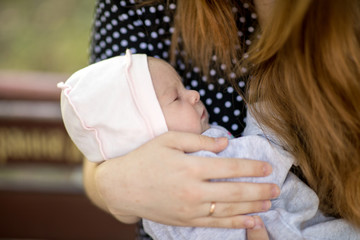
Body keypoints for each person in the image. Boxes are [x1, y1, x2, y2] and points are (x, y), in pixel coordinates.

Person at [84, 0, 360, 239]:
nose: (193, 94)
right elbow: (263, 155)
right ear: (146, 127)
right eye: (175, 98)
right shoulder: (144, 8)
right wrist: (113, 183)